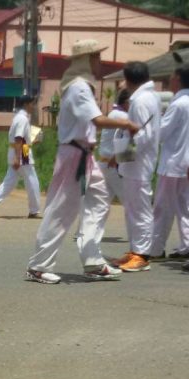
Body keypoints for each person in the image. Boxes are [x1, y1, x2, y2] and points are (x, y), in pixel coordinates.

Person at [25, 39, 139, 284]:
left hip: (82, 154)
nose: (99, 62)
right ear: (85, 60)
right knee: (62, 209)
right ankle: (39, 265)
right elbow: (97, 120)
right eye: (96, 57)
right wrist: (127, 123)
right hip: (75, 155)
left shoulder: (80, 86)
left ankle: (92, 260)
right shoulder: (79, 87)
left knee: (99, 200)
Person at [112, 61, 161, 272]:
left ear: (130, 79)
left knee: (140, 210)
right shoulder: (146, 98)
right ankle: (135, 250)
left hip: (138, 164)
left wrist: (124, 151)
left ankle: (142, 254)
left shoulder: (141, 101)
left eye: (123, 78)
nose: (122, 83)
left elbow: (144, 136)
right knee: (132, 209)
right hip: (134, 164)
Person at [74, 89, 130, 245]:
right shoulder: (123, 117)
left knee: (100, 203)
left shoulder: (113, 114)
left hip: (104, 161)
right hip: (113, 163)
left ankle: (84, 232)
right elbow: (21, 142)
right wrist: (22, 158)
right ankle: (139, 240)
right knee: (130, 202)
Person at [149, 63, 189, 262]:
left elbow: (162, 133)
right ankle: (185, 247)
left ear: (179, 79)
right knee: (185, 207)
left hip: (173, 163)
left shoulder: (178, 103)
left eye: (172, 77)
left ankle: (156, 248)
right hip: (185, 164)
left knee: (163, 208)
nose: (169, 80)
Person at [0, 95, 41, 219]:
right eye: (32, 104)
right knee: (32, 180)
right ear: (26, 104)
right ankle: (34, 210)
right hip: (22, 151)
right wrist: (18, 157)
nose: (34, 106)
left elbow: (21, 139)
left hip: (18, 149)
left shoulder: (19, 118)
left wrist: (31, 142)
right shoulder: (22, 119)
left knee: (10, 181)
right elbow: (18, 138)